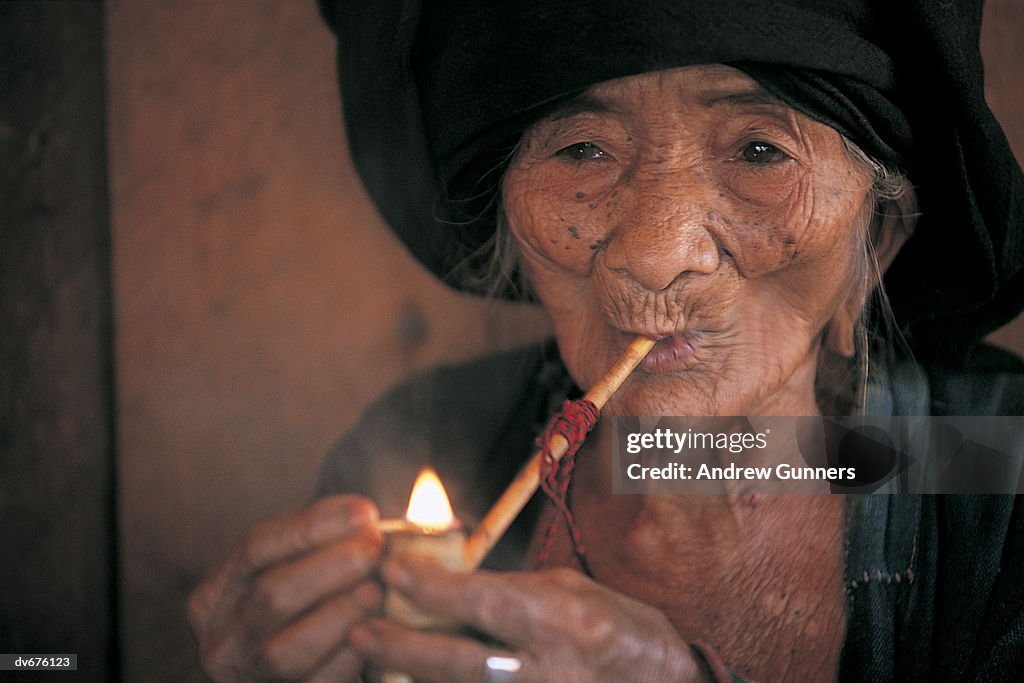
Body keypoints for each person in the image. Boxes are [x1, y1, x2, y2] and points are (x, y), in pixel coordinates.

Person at [187, 1, 1024, 681]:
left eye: (760, 151)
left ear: (877, 235)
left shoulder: (997, 472)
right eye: (582, 148)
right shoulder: (429, 440)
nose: (656, 255)